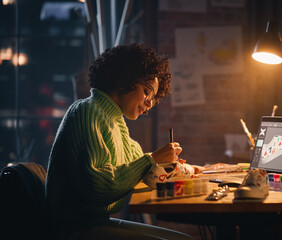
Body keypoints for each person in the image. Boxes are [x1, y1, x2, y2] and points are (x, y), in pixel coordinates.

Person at [45, 43, 193, 240]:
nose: (149, 104)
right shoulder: (87, 111)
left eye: (154, 99)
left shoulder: (116, 122)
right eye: (147, 91)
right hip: (73, 230)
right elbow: (98, 186)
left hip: (96, 222)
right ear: (126, 78)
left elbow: (141, 169)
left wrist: (179, 168)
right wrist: (153, 159)